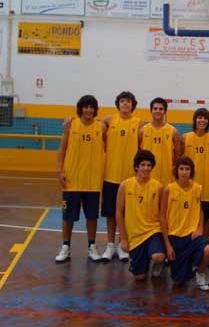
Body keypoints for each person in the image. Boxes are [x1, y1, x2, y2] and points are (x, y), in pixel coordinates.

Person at [55, 95, 106, 263]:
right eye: (86, 107)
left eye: (92, 107)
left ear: (95, 110)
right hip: (72, 181)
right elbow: (62, 149)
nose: (89, 110)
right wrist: (59, 171)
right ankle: (66, 247)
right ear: (81, 108)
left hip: (92, 182)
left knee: (92, 217)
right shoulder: (70, 126)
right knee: (67, 216)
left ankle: (92, 246)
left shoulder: (101, 128)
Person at [160, 156, 209, 291]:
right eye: (181, 169)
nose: (184, 172)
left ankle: (200, 273)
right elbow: (162, 217)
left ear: (191, 171)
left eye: (187, 169)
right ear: (176, 171)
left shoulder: (198, 188)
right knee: (179, 281)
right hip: (175, 238)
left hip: (192, 236)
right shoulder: (168, 189)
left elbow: (201, 211)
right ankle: (187, 263)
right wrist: (167, 245)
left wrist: (201, 227)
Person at [101, 91, 144, 262]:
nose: (125, 104)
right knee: (110, 213)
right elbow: (98, 129)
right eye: (122, 101)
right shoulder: (109, 121)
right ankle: (110, 245)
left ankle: (122, 245)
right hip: (111, 175)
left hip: (130, 179)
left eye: (128, 101)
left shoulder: (139, 123)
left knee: (126, 214)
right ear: (118, 104)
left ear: (133, 104)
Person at [116, 150, 166, 280]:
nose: (146, 168)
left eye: (149, 165)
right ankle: (140, 260)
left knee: (158, 255)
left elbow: (162, 214)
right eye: (143, 165)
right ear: (136, 167)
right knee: (139, 277)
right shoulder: (125, 185)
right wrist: (123, 239)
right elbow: (119, 213)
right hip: (134, 235)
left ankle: (157, 261)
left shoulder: (158, 187)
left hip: (152, 231)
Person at [182, 108, 209, 246]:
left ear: (208, 121)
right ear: (195, 120)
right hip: (190, 186)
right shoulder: (186, 137)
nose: (202, 120)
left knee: (206, 219)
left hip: (207, 187)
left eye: (205, 118)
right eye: (199, 117)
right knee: (190, 217)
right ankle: (188, 246)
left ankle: (206, 245)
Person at [140, 97, 181, 186]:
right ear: (151, 111)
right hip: (146, 175)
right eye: (155, 108)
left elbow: (177, 155)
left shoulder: (173, 131)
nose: (158, 111)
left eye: (161, 109)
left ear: (165, 111)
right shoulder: (143, 130)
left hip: (166, 177)